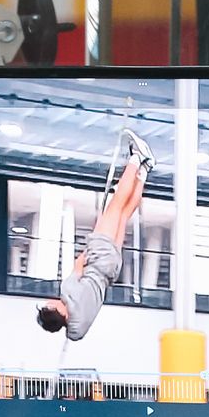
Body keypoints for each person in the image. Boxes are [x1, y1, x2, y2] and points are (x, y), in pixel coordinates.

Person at [35, 127, 152, 340]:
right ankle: (137, 157)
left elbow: (74, 335)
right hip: (98, 256)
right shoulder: (67, 291)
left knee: (124, 214)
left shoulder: (78, 325)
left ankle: (144, 169)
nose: (48, 302)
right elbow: (79, 263)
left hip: (111, 270)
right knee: (117, 203)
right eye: (47, 306)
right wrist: (94, 238)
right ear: (56, 310)